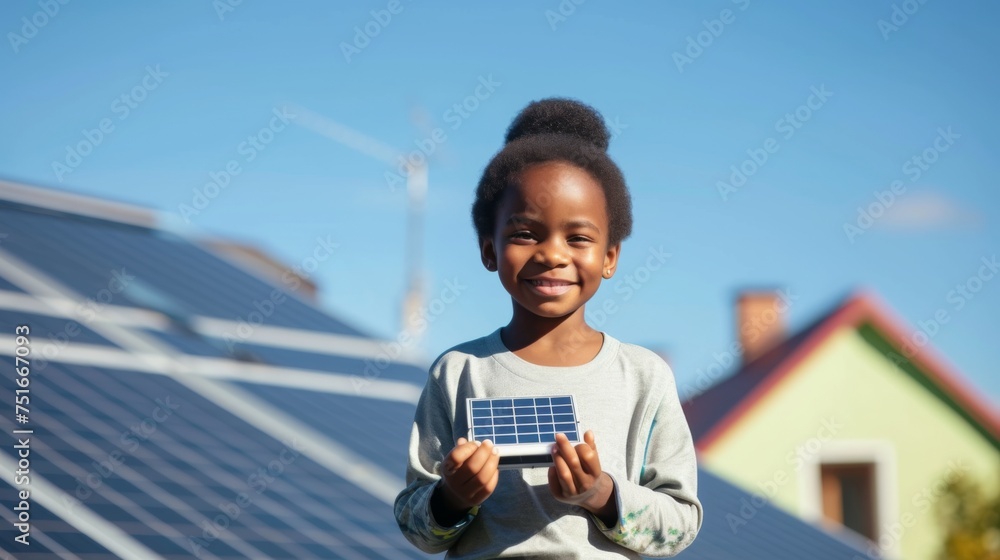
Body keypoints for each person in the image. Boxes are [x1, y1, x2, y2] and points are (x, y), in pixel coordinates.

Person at [394, 98, 702, 558]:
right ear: (489, 249)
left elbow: (680, 525)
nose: (552, 254)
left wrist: (600, 493)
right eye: (525, 234)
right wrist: (453, 497)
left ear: (611, 257)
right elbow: (416, 527)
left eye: (577, 238)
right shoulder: (459, 372)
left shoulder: (643, 376)